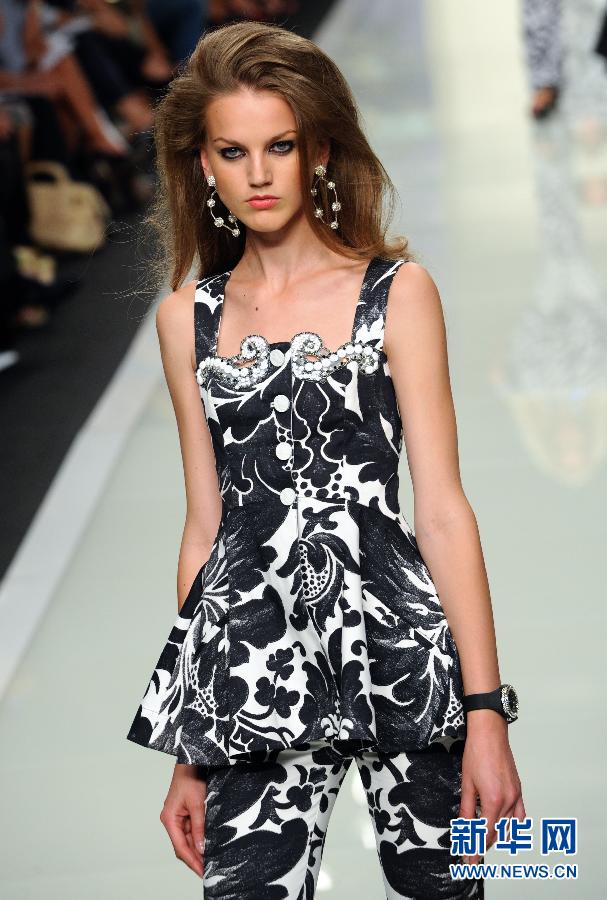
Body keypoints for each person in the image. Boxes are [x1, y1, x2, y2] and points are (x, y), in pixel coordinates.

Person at [126, 20, 525, 899]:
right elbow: (205, 529)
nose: (258, 174)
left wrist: (486, 714)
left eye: (280, 146)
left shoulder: (397, 294)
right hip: (252, 668)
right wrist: (191, 746)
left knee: (442, 890)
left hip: (399, 655)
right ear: (202, 165)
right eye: (232, 152)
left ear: (317, 151)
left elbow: (440, 510)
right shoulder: (185, 319)